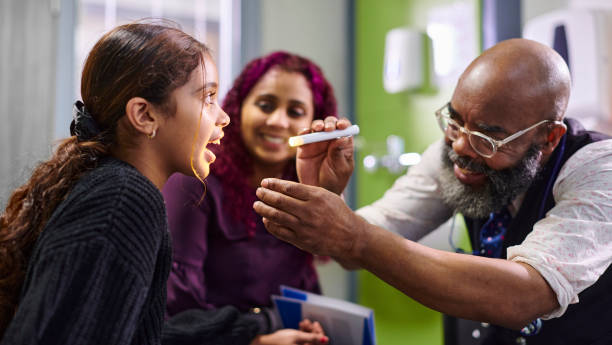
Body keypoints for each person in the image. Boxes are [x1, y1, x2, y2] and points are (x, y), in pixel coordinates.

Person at [253, 38, 612, 345]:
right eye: (454, 120)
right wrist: (330, 197)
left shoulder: (598, 168)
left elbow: (526, 295)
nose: (462, 148)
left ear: (548, 137)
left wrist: (352, 236)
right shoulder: (453, 151)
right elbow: (362, 245)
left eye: (488, 137)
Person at [0, 23, 326, 345]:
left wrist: (253, 337)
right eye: (208, 97)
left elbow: (143, 333)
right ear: (144, 115)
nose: (224, 117)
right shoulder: (125, 198)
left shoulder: (119, 188)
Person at [162, 51, 339, 345]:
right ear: (239, 106)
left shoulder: (304, 188)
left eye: (295, 112)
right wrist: (256, 341)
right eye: (265, 105)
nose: (278, 121)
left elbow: (306, 295)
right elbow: (177, 310)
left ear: (313, 124)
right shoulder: (195, 179)